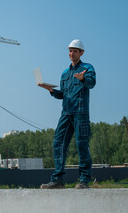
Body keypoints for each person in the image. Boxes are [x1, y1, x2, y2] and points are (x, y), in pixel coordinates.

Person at [38, 39, 96, 189]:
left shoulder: (87, 68)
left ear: (81, 53)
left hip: (80, 113)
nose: (71, 53)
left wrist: (83, 78)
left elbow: (91, 83)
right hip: (66, 113)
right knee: (58, 143)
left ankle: (84, 180)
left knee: (81, 146)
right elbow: (63, 94)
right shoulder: (65, 73)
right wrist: (50, 90)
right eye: (70, 51)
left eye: (75, 51)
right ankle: (58, 180)